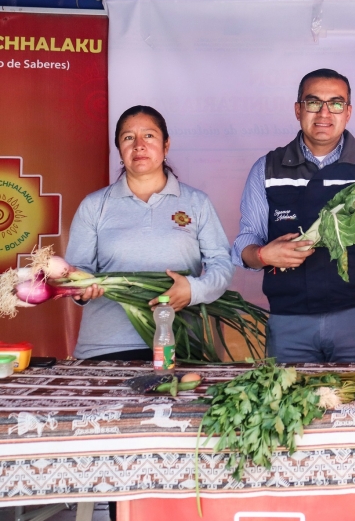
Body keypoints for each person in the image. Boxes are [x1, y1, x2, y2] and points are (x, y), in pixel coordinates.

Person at [232, 68, 355, 364]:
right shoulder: (267, 168)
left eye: (336, 103)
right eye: (313, 102)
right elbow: (245, 241)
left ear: (348, 112)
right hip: (288, 319)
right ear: (298, 109)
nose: (324, 113)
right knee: (289, 393)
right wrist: (263, 255)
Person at [68, 105, 234, 361]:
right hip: (105, 348)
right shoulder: (94, 205)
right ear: (119, 149)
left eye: (149, 135)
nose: (139, 145)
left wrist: (193, 290)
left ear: (166, 145)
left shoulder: (196, 202)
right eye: (128, 137)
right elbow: (77, 269)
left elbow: (221, 264)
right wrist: (80, 287)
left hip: (180, 344)